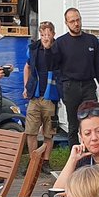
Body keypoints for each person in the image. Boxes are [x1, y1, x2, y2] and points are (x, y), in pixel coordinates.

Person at [55, 8, 99, 146]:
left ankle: (95, 156)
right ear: (66, 23)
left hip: (88, 86)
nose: (76, 24)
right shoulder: (60, 43)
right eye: (72, 21)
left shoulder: (91, 40)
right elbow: (53, 67)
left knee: (94, 121)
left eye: (78, 20)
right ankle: (76, 160)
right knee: (73, 126)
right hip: (70, 87)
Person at [53, 101, 99, 189]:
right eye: (87, 133)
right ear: (81, 137)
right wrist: (72, 160)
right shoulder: (82, 161)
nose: (94, 138)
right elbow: (58, 191)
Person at [23, 20, 60, 166]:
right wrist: (26, 87)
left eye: (48, 34)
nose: (45, 37)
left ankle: (45, 161)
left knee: (48, 132)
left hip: (50, 96)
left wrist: (48, 49)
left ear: (53, 35)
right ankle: (33, 161)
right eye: (43, 34)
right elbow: (27, 67)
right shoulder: (32, 48)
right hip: (35, 96)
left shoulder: (57, 49)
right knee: (31, 131)